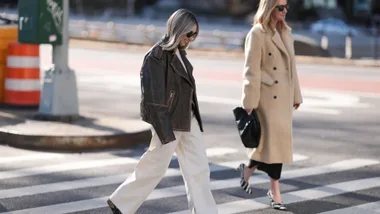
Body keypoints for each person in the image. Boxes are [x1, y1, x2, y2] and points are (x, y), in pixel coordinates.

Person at [106, 9, 218, 214]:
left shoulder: (180, 55)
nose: (191, 39)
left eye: (194, 35)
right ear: (178, 29)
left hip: (189, 120)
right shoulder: (156, 56)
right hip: (170, 122)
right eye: (189, 34)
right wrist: (165, 131)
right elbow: (153, 99)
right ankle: (121, 203)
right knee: (154, 167)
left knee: (199, 169)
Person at [238, 0, 303, 211]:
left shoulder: (286, 32)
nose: (285, 11)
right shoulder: (257, 34)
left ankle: (247, 171)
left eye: (286, 7)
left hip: (282, 99)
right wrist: (249, 102)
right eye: (280, 7)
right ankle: (275, 191)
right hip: (266, 99)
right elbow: (251, 71)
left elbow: (292, 68)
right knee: (273, 146)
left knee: (270, 147)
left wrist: (296, 95)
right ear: (269, 9)